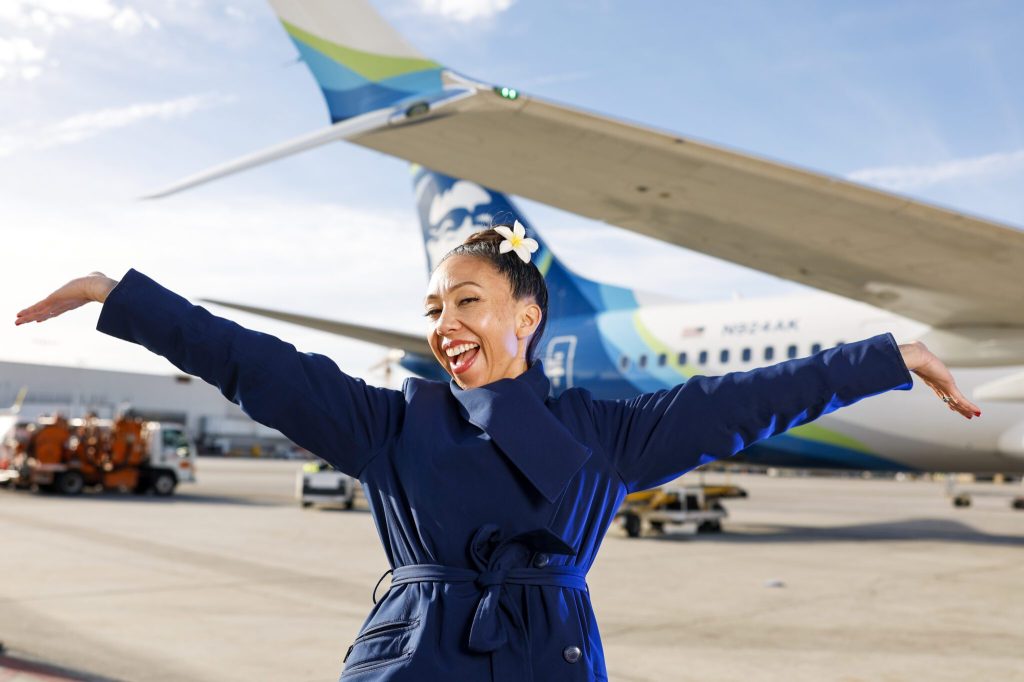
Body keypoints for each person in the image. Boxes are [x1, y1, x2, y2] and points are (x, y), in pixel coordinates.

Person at [14, 225, 980, 681]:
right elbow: (256, 365)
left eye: (466, 303)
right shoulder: (390, 423)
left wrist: (885, 355)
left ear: (528, 316)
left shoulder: (609, 436)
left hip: (549, 660)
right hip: (413, 658)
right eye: (434, 308)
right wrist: (121, 296)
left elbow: (750, 399)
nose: (444, 325)